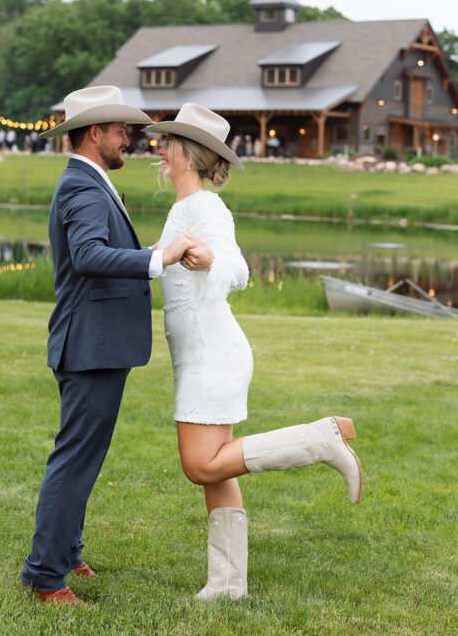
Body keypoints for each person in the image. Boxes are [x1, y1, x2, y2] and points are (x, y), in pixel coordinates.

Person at [145, 103, 363, 600]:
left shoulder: (204, 207)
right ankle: (226, 585)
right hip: (201, 353)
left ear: (186, 153)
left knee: (201, 465)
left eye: (169, 142)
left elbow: (238, 269)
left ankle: (322, 440)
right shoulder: (183, 208)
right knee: (214, 468)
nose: (160, 149)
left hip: (211, 352)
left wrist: (209, 261)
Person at [20, 86, 194, 606]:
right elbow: (89, 255)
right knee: (75, 458)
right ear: (95, 133)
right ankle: (45, 576)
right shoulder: (84, 189)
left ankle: (68, 551)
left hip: (96, 343)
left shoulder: (88, 183)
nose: (130, 140)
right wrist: (158, 258)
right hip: (89, 345)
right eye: (121, 131)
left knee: (83, 455)